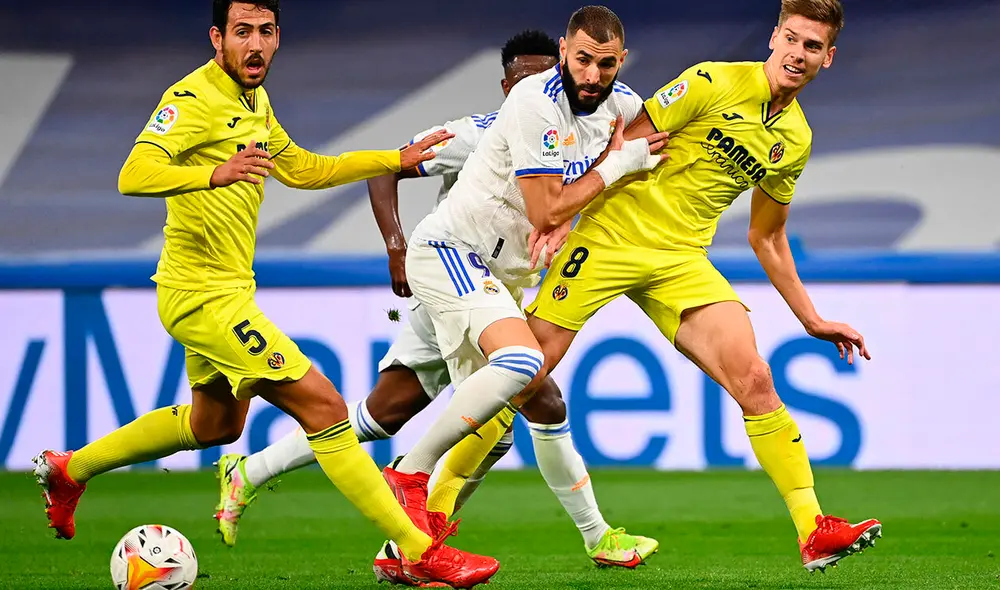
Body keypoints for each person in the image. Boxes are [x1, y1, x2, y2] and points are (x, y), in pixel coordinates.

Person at [31, 1, 498, 586]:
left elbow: (303, 169)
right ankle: (418, 550)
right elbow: (134, 173)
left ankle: (71, 470)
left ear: (278, 38)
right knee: (324, 407)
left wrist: (392, 159)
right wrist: (213, 173)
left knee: (216, 426)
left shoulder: (255, 101)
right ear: (217, 38)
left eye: (266, 32)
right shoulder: (191, 99)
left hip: (221, 291)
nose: (255, 44)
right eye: (242, 32)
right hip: (203, 296)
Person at [214, 29, 658, 575]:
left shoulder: (586, 127)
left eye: (548, 74)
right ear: (508, 86)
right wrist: (395, 247)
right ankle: (582, 535)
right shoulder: (478, 132)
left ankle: (253, 473)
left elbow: (589, 181)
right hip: (453, 270)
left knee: (386, 413)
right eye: (527, 78)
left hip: (493, 286)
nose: (551, 85)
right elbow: (387, 166)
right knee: (527, 398)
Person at [522, 0, 881, 573]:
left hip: (681, 259)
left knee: (755, 378)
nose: (798, 53)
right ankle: (429, 514)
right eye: (791, 38)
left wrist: (811, 318)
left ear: (828, 58)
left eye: (812, 46)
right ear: (774, 37)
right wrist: (564, 212)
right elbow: (620, 146)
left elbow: (768, 236)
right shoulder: (712, 81)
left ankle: (814, 530)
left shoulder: (795, 139)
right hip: (610, 235)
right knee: (521, 372)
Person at [375, 3, 667, 573]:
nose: (593, 75)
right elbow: (546, 207)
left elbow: (634, 155)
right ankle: (408, 472)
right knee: (516, 365)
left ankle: (406, 554)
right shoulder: (533, 103)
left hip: (500, 277)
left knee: (510, 418)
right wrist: (613, 170)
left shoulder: (624, 106)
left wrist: (578, 211)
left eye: (606, 64)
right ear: (564, 51)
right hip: (453, 251)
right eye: (582, 60)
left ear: (621, 61)